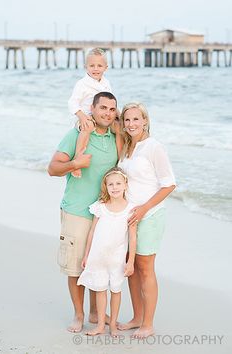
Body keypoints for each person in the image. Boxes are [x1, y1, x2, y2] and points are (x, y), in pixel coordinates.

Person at [48, 92, 118, 333]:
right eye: (103, 108)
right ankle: (78, 315)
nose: (107, 113)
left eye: (112, 109)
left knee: (99, 265)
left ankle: (96, 312)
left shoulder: (115, 137)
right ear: (92, 108)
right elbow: (53, 168)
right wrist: (75, 164)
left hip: (105, 216)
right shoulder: (77, 134)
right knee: (76, 266)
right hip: (77, 211)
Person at [117, 102, 176, 339]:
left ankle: (148, 324)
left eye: (136, 119)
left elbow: (169, 183)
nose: (131, 124)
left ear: (145, 121)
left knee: (144, 267)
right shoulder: (127, 147)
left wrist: (144, 209)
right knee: (130, 269)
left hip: (150, 215)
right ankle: (136, 317)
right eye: (127, 120)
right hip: (129, 217)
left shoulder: (154, 147)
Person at [77, 167, 137, 337]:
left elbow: (132, 238)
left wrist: (130, 261)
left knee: (116, 290)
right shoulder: (100, 207)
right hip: (98, 257)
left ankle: (113, 325)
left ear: (125, 185)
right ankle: (100, 325)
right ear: (106, 187)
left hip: (117, 259)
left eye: (118, 183)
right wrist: (87, 255)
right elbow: (92, 232)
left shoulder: (131, 209)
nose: (114, 187)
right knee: (100, 290)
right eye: (111, 184)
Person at [68, 48, 122, 177]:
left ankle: (120, 161)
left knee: (120, 128)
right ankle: (77, 159)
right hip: (87, 116)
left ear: (106, 68)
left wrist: (118, 115)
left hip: (104, 116)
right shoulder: (82, 84)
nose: (96, 69)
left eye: (99, 66)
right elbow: (72, 103)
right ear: (86, 66)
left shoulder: (106, 83)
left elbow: (111, 101)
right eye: (92, 66)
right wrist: (82, 117)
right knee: (88, 127)